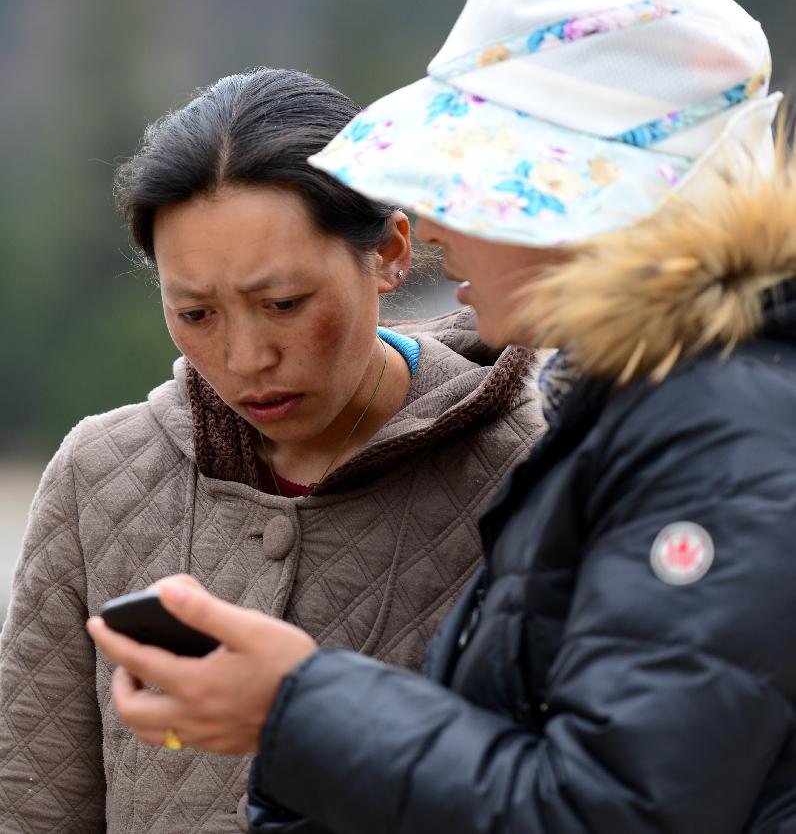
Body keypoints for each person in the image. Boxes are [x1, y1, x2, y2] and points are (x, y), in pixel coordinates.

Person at [88, 0, 796, 832]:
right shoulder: (661, 411)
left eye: (468, 184)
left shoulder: (722, 439)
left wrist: (295, 708)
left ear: (580, 194)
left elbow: (607, 812)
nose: (429, 229)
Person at [0, 67, 543, 832]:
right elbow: (31, 800)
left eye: (283, 304)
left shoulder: (529, 471)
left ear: (390, 251)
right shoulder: (100, 476)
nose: (247, 357)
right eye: (195, 313)